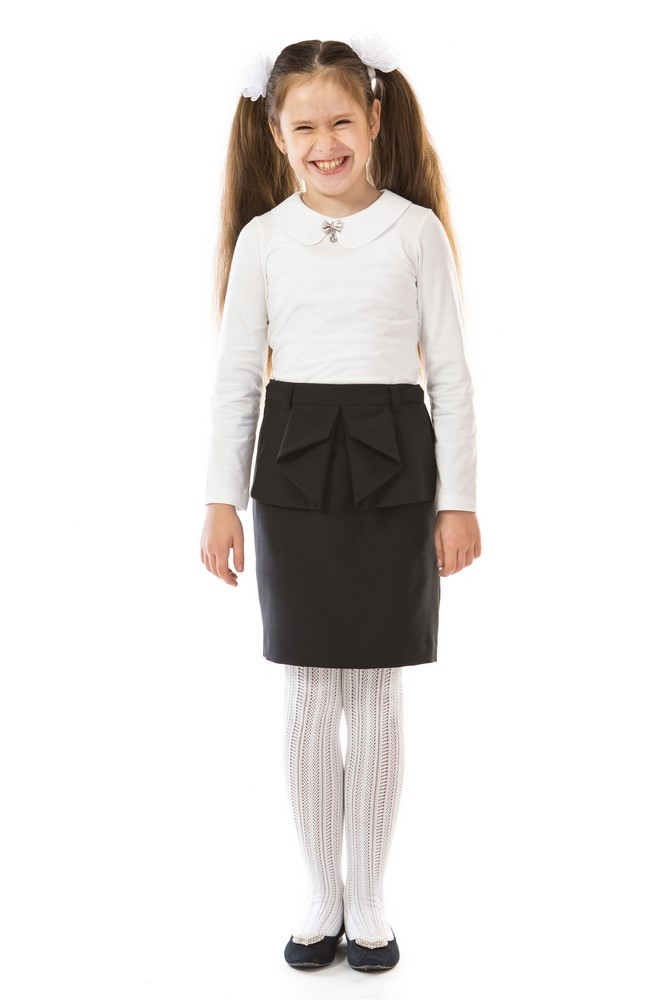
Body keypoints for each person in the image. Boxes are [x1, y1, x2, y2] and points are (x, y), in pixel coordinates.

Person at [199, 36, 482, 972]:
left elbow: (451, 375)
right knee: (310, 689)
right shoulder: (262, 240)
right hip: (291, 472)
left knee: (377, 687)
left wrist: (458, 501)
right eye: (304, 127)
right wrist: (220, 499)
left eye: (342, 121)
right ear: (275, 134)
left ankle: (370, 900)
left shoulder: (414, 231)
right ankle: (320, 893)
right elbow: (236, 378)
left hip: (397, 469)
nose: (326, 143)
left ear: (375, 120)